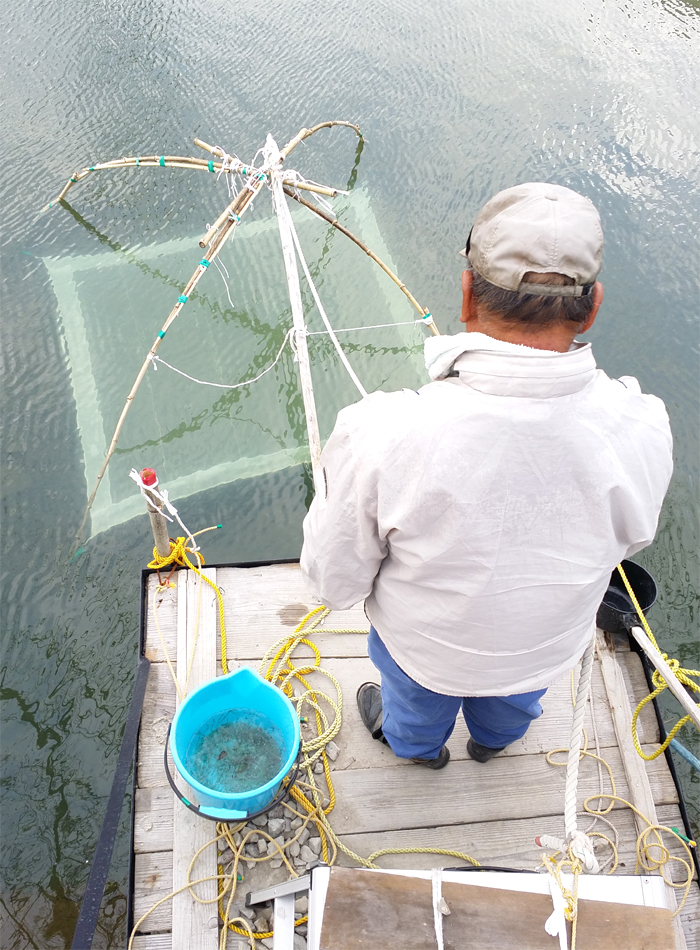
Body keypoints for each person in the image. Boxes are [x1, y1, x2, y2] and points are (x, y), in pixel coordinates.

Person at [300, 182, 673, 769]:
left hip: (424, 652)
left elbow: (332, 584)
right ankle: (492, 743)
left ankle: (419, 751)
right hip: (542, 652)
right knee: (513, 705)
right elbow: (634, 538)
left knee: (414, 709)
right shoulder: (644, 425)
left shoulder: (378, 432)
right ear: (593, 304)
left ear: (468, 293)